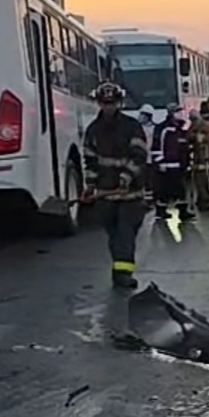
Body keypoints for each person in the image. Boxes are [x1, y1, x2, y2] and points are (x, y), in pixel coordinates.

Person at [82, 82, 148, 289]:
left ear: (119, 102)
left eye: (112, 103)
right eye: (104, 103)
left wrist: (126, 177)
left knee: (125, 234)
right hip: (106, 196)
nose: (108, 107)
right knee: (114, 235)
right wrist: (90, 185)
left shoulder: (132, 127)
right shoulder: (93, 130)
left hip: (131, 195)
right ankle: (118, 268)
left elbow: (139, 155)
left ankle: (123, 274)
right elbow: (90, 160)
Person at [152, 104, 195, 221]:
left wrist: (186, 162)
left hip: (179, 165)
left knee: (180, 189)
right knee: (164, 190)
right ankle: (161, 210)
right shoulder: (163, 129)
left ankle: (183, 210)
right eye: (177, 112)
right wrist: (160, 163)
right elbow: (157, 147)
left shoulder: (179, 130)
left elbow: (183, 147)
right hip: (166, 166)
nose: (180, 115)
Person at [188, 105, 209, 211]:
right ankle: (203, 199)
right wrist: (195, 137)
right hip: (198, 160)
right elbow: (188, 137)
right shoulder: (192, 127)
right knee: (199, 181)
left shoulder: (208, 126)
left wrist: (202, 138)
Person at [137, 104, 157, 206]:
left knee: (150, 181)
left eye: (142, 115)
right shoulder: (137, 128)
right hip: (140, 159)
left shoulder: (153, 129)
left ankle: (150, 200)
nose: (140, 117)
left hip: (149, 159)